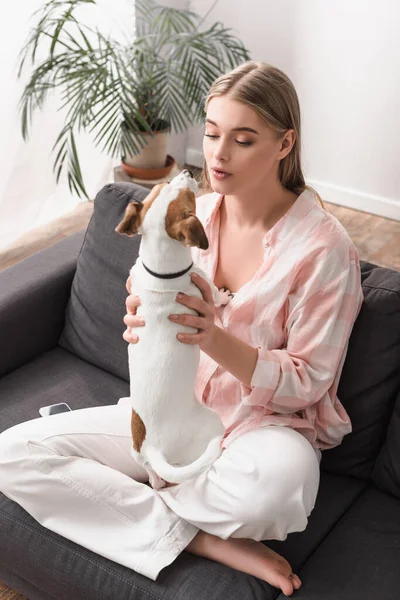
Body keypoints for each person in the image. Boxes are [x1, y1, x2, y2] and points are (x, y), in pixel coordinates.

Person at [0, 61, 363, 597]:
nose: (217, 154)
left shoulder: (326, 250)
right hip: (168, 413)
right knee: (12, 456)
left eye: (243, 139)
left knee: (279, 492)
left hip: (264, 431)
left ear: (285, 144)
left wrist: (213, 336)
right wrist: (139, 318)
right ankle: (197, 537)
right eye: (212, 133)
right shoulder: (190, 214)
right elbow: (147, 300)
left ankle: (130, 501)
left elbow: (308, 381)